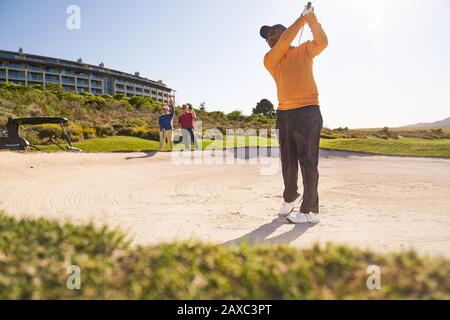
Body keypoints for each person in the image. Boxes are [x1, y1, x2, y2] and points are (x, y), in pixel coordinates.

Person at [260, 4, 328, 224]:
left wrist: (311, 19)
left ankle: (311, 211)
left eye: (273, 33)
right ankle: (291, 197)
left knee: (308, 162)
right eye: (267, 37)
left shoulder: (304, 50)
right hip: (285, 114)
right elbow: (283, 43)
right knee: (288, 161)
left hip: (308, 111)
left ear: (284, 32)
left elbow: (323, 42)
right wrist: (302, 18)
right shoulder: (270, 59)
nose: (269, 38)